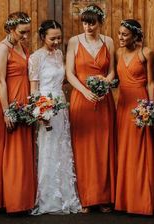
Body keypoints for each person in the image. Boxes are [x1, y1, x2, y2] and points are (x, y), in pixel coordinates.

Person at [66, 4, 116, 213]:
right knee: (84, 148)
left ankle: (104, 197)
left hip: (104, 101)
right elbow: (69, 73)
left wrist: (106, 81)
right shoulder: (74, 42)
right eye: (85, 22)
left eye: (92, 22)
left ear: (100, 22)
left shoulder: (109, 42)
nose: (88, 26)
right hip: (81, 99)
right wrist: (85, 91)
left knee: (103, 146)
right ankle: (86, 197)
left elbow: (112, 71)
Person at [29, 20, 81, 215]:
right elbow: (33, 90)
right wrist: (40, 111)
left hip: (60, 104)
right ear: (43, 37)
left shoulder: (59, 54)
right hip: (46, 107)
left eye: (59, 37)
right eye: (53, 38)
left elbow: (65, 77)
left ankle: (66, 196)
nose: (57, 41)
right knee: (48, 149)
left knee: (62, 147)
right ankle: (49, 198)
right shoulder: (35, 58)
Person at [0, 11, 36, 213]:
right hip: (11, 101)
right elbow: (1, 82)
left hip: (24, 100)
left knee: (24, 150)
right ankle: (12, 200)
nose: (25, 36)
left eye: (27, 32)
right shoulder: (2, 49)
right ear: (10, 29)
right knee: (13, 152)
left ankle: (24, 198)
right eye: (21, 32)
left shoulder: (21, 46)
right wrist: (7, 111)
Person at [115, 19, 154, 215]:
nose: (120, 37)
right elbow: (115, 80)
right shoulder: (118, 53)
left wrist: (151, 107)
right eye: (119, 33)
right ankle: (124, 200)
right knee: (125, 150)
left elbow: (151, 83)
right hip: (122, 106)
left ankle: (142, 202)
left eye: (124, 34)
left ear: (135, 36)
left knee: (140, 151)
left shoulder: (146, 53)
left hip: (140, 105)